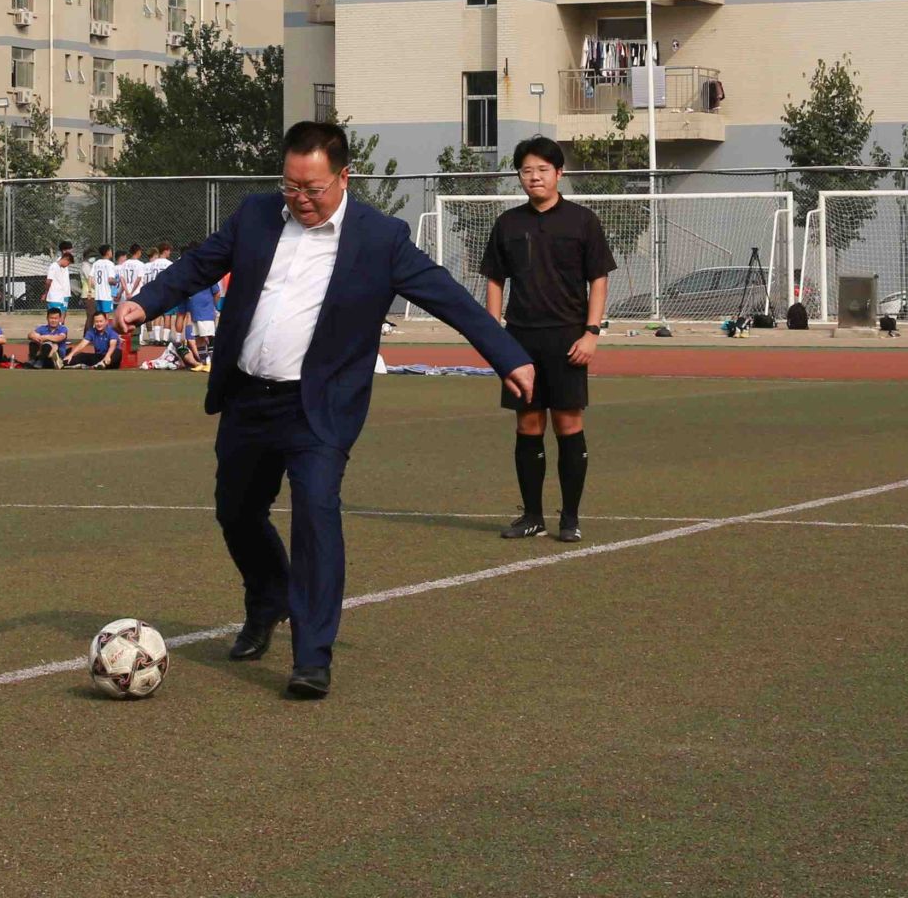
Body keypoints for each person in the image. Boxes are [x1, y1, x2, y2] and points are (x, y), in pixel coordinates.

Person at [120, 121, 533, 700]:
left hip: (319, 406)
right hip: (247, 396)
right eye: (290, 186)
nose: (300, 199)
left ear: (344, 177)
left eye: (312, 188)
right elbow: (199, 265)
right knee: (237, 512)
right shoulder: (256, 215)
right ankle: (269, 598)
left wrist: (508, 355)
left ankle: (312, 657)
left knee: (316, 512)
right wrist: (144, 303)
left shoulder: (381, 238)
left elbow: (449, 298)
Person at [481, 136, 615, 543]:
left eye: (542, 169)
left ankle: (570, 518)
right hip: (520, 341)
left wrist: (591, 333)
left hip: (568, 339)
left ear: (559, 173)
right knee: (528, 424)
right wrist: (495, 339)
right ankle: (532, 516)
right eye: (527, 170)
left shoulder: (582, 221)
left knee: (568, 423)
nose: (534, 177)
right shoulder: (508, 224)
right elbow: (494, 280)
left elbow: (598, 279)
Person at [86, 244, 119, 326]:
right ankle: (105, 332)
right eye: (110, 250)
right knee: (106, 315)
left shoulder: (96, 263)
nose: (111, 252)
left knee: (99, 315)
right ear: (108, 252)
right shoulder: (110, 264)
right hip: (106, 294)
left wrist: (90, 291)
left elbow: (90, 277)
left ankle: (99, 331)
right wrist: (117, 281)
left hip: (98, 295)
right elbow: (110, 280)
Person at [42, 249, 75, 317]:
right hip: (54, 298)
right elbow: (48, 281)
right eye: (68, 263)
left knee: (60, 317)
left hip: (60, 298)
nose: (67, 265)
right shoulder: (53, 266)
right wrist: (46, 293)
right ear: (66, 259)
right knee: (54, 316)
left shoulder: (59, 268)